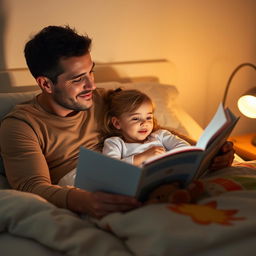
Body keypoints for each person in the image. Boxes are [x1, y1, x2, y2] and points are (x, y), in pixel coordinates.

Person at [0, 25, 235, 218]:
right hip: (84, 191)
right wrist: (84, 201)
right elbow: (32, 188)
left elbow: (153, 131)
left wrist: (208, 151)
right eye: (78, 79)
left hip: (136, 176)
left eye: (91, 72)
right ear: (46, 84)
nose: (91, 85)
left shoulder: (104, 99)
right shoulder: (21, 126)